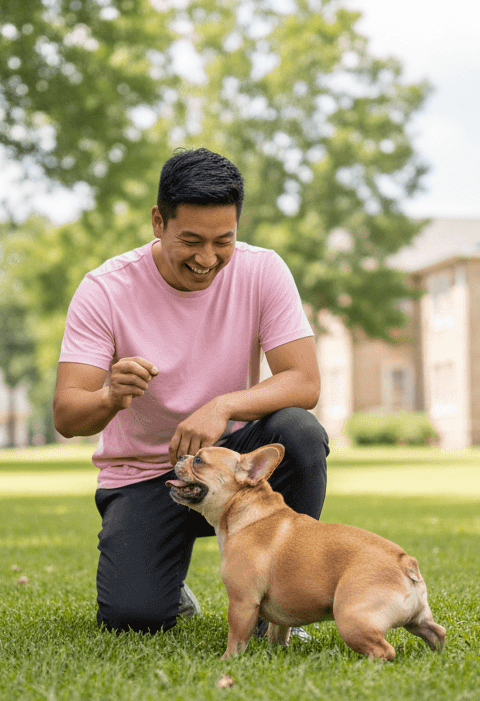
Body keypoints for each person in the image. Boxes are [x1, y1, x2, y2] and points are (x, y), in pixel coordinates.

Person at [53, 148, 329, 634]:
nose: (207, 260)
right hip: (145, 477)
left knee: (299, 432)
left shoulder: (262, 271)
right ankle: (164, 582)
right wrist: (108, 397)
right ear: (158, 221)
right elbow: (67, 415)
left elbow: (303, 381)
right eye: (192, 241)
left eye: (223, 240)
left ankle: (278, 601)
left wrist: (222, 406)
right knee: (132, 618)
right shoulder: (105, 289)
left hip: (232, 469)